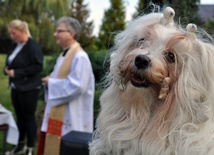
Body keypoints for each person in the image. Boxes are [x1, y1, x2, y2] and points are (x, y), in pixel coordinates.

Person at [37, 16, 95, 155]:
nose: (54, 34)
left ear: (71, 33)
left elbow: (77, 86)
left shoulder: (80, 57)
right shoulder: (65, 55)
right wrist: (50, 81)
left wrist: (51, 82)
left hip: (72, 116)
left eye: (59, 31)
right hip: (61, 113)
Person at [3, 19, 43, 155]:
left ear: (22, 31)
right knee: (19, 117)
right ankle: (19, 144)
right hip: (16, 87)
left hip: (29, 88)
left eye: (13, 33)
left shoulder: (33, 47)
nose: (11, 36)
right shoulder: (15, 45)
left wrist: (17, 73)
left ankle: (30, 147)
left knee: (28, 117)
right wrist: (6, 69)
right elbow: (10, 61)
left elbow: (38, 66)